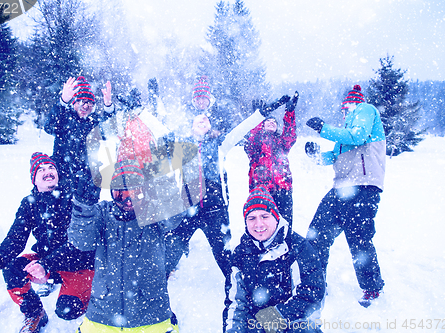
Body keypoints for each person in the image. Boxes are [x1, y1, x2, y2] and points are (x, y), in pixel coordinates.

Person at [164, 93, 291, 281]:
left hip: (214, 208)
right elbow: (157, 131)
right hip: (187, 206)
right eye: (198, 120)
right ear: (191, 127)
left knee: (223, 252)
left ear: (210, 127)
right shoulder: (181, 145)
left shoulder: (219, 144)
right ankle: (159, 280)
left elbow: (241, 129)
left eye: (206, 120)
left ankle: (235, 284)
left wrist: (262, 114)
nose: (203, 120)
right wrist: (139, 110)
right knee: (172, 247)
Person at [0, 152, 95, 333]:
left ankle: (94, 293)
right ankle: (34, 313)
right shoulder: (29, 203)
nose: (48, 171)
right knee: (11, 268)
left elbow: (79, 245)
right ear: (34, 180)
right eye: (41, 170)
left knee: (68, 310)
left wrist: (45, 265)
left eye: (51, 167)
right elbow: (16, 238)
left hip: (78, 264)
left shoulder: (73, 199)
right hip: (47, 263)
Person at [65, 159, 183, 332]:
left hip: (150, 313)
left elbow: (173, 218)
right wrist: (84, 205)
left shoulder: (153, 212)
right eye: (122, 194)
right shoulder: (102, 212)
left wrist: (166, 186)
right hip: (103, 313)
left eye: (136, 193)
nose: (129, 201)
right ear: (112, 193)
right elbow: (81, 242)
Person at [304, 84, 386, 307]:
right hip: (340, 189)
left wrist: (323, 129)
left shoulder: (366, 111)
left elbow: (358, 137)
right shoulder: (345, 133)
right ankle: (316, 283)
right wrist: (317, 156)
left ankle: (372, 289)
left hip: (363, 186)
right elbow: (335, 157)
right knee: (316, 235)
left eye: (346, 109)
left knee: (359, 239)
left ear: (353, 105)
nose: (344, 113)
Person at [224, 186, 325, 333]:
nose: (258, 224)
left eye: (264, 216)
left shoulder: (297, 247)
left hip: (294, 323)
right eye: (251, 218)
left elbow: (310, 295)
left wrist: (268, 321)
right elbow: (235, 303)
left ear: (276, 217)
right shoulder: (240, 254)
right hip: (256, 327)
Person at [44, 76, 116, 192]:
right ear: (74, 102)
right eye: (82, 102)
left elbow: (110, 132)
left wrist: (108, 107)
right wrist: (62, 102)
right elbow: (49, 127)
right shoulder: (64, 118)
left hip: (88, 182)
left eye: (90, 103)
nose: (86, 107)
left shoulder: (93, 122)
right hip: (62, 180)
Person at [244, 92, 299, 227]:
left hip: (283, 189)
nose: (272, 123)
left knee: (285, 226)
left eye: (274, 122)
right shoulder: (255, 142)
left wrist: (290, 113)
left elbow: (289, 134)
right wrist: (257, 116)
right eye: (268, 121)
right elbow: (251, 137)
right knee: (262, 226)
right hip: (261, 190)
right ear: (262, 124)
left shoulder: (282, 143)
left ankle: (286, 246)